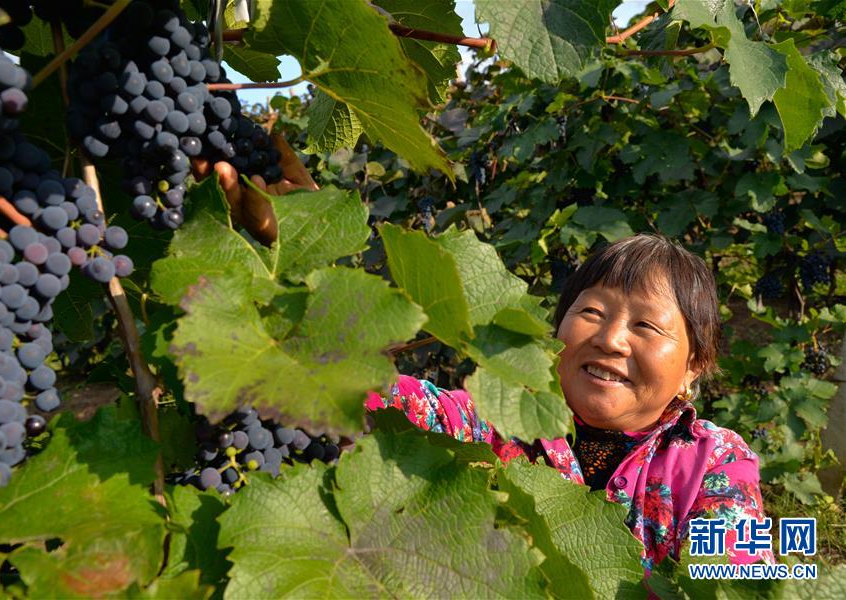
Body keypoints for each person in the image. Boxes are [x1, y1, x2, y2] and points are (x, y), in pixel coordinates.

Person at [201, 145, 771, 573]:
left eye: (646, 325)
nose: (612, 339)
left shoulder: (714, 464)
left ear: (695, 363)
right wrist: (296, 254)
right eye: (593, 312)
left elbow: (733, 582)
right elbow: (367, 392)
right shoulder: (487, 421)